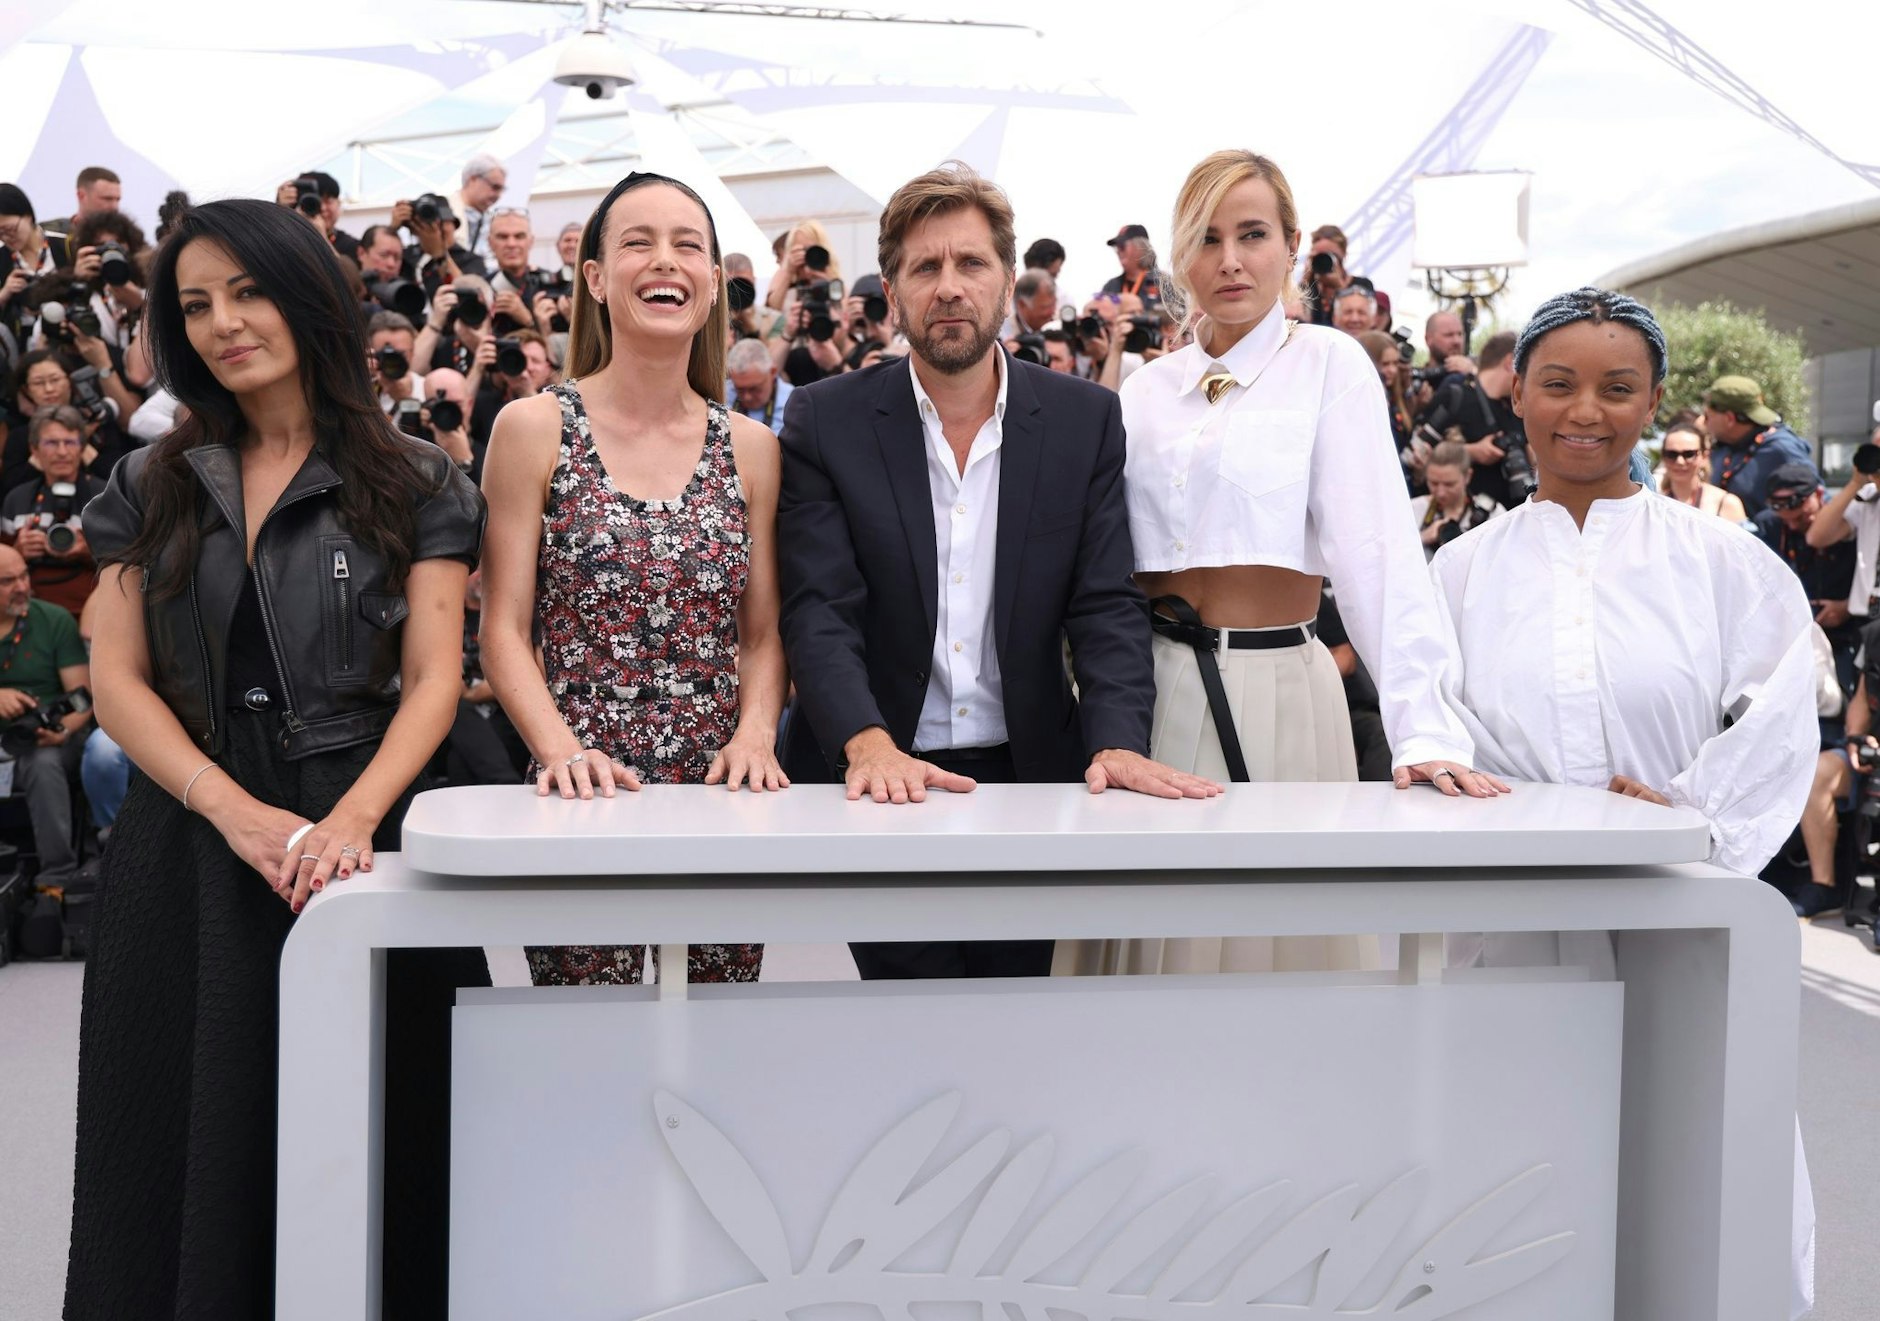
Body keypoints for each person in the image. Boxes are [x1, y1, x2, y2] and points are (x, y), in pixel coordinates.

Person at [65, 197, 486, 1320]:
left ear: (305, 296)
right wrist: (233, 812)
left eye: (246, 291)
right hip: (187, 843)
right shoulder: (145, 484)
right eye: (195, 304)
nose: (222, 324)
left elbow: (436, 677)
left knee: (387, 1129)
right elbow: (117, 681)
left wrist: (349, 819)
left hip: (365, 835)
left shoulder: (417, 478)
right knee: (180, 1134)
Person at [1429, 287, 1817, 1320]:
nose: (1582, 411)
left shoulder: (1720, 561)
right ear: (1516, 397)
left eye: (1615, 388)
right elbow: (1433, 738)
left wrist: (1689, 815)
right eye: (1556, 384)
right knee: (1511, 1165)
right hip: (1512, 923)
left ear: (1652, 403)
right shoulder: (1460, 570)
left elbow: (1782, 714)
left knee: (1691, 1156)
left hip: (1682, 916)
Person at [1063, 149, 1501, 979]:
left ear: (1291, 244)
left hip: (1279, 697)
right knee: (1148, 964)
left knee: (1274, 964)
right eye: (1207, 238)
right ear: (1179, 258)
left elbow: (1377, 552)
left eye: (1253, 234)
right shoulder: (1145, 391)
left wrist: (1427, 727)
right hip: (1144, 698)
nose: (1230, 260)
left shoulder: (1329, 364)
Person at [778, 162, 1218, 982]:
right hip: (878, 775)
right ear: (897, 292)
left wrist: (1117, 739)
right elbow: (818, 608)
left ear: (1010, 281)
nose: (950, 287)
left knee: (1020, 1021)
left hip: (1033, 779)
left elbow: (1104, 606)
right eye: (926, 267)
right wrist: (867, 745)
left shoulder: (1084, 420)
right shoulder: (825, 420)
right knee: (913, 1018)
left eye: (972, 264)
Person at [480, 170, 790, 989]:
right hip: (583, 789)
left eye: (689, 244)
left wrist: (757, 732)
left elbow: (761, 635)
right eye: (638, 243)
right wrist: (560, 750)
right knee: (589, 1040)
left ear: (715, 283)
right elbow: (503, 631)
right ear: (593, 277)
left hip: (723, 794)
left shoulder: (751, 447)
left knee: (717, 1043)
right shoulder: (533, 428)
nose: (667, 261)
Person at [0, 540, 93, 886]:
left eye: (24, 575)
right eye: (8, 581)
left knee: (42, 763)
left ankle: (57, 878)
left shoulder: (51, 619)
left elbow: (83, 697)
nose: (23, 586)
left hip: (48, 740)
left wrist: (62, 730)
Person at [1756, 462, 1860, 697]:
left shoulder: (1848, 519)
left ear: (1820, 495)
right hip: (1788, 638)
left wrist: (1847, 607)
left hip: (1845, 634)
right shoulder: (1768, 525)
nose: (1793, 525)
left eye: (1801, 517)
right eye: (1787, 520)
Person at [2, 405, 104, 616]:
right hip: (30, 613)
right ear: (35, 450)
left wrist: (89, 551)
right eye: (51, 443)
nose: (62, 452)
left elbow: (133, 564)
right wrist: (19, 551)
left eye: (69, 442)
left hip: (92, 612)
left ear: (82, 448)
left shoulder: (107, 496)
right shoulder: (17, 499)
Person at [1704, 374, 1813, 518]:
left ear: (1729, 419)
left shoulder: (1782, 448)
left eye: (1707, 416)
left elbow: (1815, 501)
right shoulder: (1724, 447)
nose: (1704, 422)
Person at [1410, 440, 1500, 560]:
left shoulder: (1493, 514)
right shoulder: (1412, 510)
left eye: (1449, 484)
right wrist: (1422, 538)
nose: (1441, 492)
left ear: (1468, 476)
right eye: (1434, 483)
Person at [1657, 418, 1746, 519]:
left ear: (1704, 456)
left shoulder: (1726, 503)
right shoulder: (1655, 504)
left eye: (1689, 454)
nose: (1680, 461)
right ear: (1663, 457)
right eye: (1671, 454)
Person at [726, 335, 791, 433]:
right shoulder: (722, 395)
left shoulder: (792, 401)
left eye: (754, 389)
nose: (747, 397)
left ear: (772, 372)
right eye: (739, 389)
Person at [455, 153, 508, 262]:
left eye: (501, 189)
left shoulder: (492, 219)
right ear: (473, 179)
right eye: (495, 187)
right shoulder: (442, 212)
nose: (498, 195)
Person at [1100, 223, 1161, 306]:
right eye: (1116, 247)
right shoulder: (1111, 287)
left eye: (1122, 246)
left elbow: (1178, 315)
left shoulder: (1163, 284)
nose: (1118, 251)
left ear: (1140, 247)